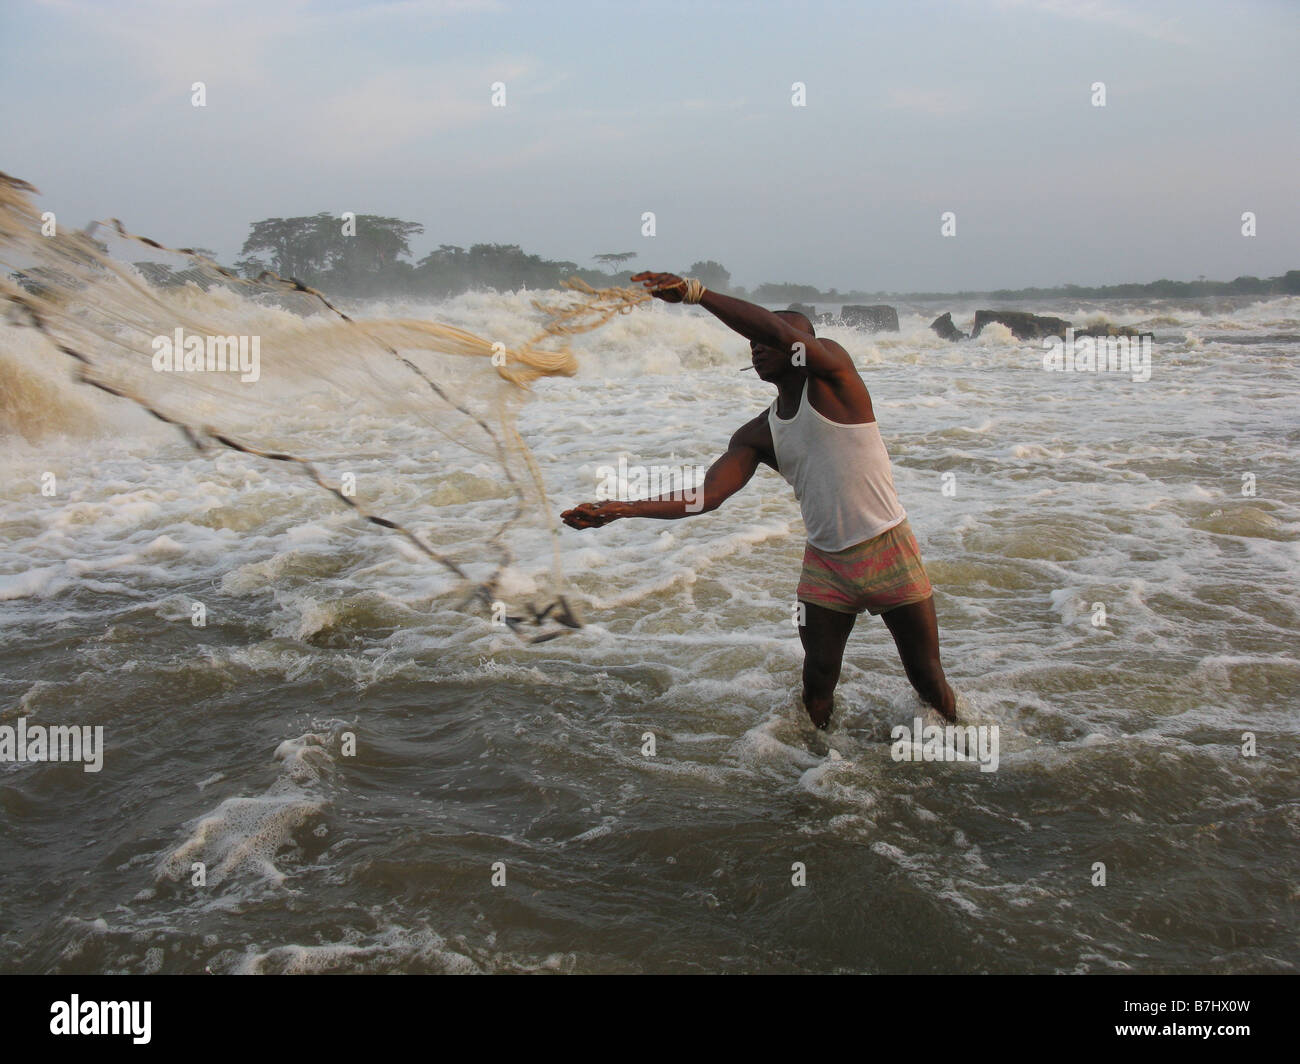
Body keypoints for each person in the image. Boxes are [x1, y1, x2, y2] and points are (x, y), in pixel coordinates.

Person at [561, 271, 956, 729]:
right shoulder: (758, 433)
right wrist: (620, 508)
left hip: (888, 548)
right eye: (754, 343)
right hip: (826, 565)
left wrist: (698, 295)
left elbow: (778, 332)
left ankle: (959, 748)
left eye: (768, 340)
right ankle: (821, 765)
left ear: (805, 348)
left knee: (926, 677)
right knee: (817, 682)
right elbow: (706, 496)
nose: (757, 346)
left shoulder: (837, 380)